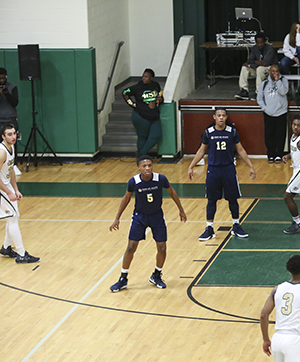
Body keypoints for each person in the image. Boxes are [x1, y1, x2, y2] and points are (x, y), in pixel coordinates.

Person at [109, 155, 187, 292]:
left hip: (157, 216)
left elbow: (172, 192)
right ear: (139, 167)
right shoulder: (134, 181)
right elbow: (126, 198)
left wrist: (181, 210)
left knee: (162, 247)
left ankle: (156, 275)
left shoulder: (160, 179)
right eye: (144, 166)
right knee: (131, 247)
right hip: (140, 217)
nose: (147, 168)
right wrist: (117, 218)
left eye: (149, 165)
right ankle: (123, 279)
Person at [187, 108, 256, 241]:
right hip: (213, 170)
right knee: (211, 200)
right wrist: (191, 166)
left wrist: (250, 166)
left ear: (226, 117)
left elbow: (240, 149)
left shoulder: (232, 132)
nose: (221, 118)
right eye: (218, 115)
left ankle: (236, 226)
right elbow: (201, 151)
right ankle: (209, 228)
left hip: (228, 169)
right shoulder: (208, 133)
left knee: (232, 199)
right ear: (214, 117)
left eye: (223, 116)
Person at [0, 123, 39, 263]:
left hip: (6, 187)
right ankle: (22, 254)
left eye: (14, 133)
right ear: (3, 136)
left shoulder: (12, 147)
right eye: (9, 134)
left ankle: (6, 247)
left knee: (13, 217)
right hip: (1, 189)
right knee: (13, 218)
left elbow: (10, 172)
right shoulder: (2, 151)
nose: (13, 136)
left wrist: (15, 189)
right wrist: (8, 192)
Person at [122, 68, 163, 157]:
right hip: (141, 116)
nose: (144, 78)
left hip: (154, 115)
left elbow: (159, 96)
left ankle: (140, 155)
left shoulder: (156, 85)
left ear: (151, 78)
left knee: (156, 135)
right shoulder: (137, 87)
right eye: (143, 76)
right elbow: (124, 92)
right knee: (142, 137)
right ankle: (142, 159)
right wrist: (133, 104)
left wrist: (160, 100)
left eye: (146, 77)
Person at [257, 64, 289, 163]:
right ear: (270, 71)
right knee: (269, 135)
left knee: (280, 135)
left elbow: (283, 92)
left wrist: (277, 80)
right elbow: (259, 98)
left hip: (281, 112)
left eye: (276, 71)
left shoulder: (283, 81)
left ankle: (279, 154)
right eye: (273, 71)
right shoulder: (264, 83)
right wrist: (265, 108)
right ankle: (271, 154)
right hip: (268, 113)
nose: (275, 73)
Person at [235, 33, 278, 100]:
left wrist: (251, 64)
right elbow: (249, 60)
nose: (260, 45)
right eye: (258, 43)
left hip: (269, 68)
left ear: (264, 42)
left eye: (261, 43)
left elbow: (266, 63)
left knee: (260, 69)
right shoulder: (255, 48)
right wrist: (255, 62)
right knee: (244, 68)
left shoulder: (269, 49)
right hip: (257, 68)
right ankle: (244, 91)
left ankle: (259, 93)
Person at [0, 69, 19, 137]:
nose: (2, 80)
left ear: (6, 76)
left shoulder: (12, 87)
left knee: (11, 142)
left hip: (11, 119)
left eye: (3, 78)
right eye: (0, 78)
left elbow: (15, 103)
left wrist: (7, 94)